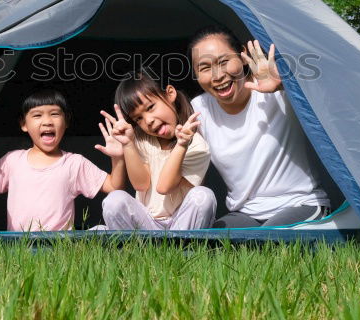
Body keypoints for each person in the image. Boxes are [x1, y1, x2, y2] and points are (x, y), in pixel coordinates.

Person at [188, 26, 333, 227]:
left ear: (242, 55)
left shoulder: (279, 92)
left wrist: (285, 86)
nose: (217, 75)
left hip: (300, 203)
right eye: (204, 68)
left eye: (224, 62)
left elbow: (333, 100)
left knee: (269, 242)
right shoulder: (199, 109)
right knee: (212, 246)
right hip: (245, 214)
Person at [0, 88, 125, 231]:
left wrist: (118, 158)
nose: (47, 122)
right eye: (37, 115)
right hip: (20, 248)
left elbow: (114, 187)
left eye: (54, 114)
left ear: (66, 121)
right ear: (24, 124)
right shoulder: (13, 160)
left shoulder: (74, 163)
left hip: (59, 248)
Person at [97, 73, 216, 230]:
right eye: (138, 118)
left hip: (181, 224)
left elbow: (164, 187)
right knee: (114, 200)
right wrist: (128, 145)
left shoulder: (197, 146)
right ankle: (131, 250)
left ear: (170, 94)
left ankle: (182, 252)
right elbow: (141, 184)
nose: (148, 120)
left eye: (150, 107)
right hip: (146, 223)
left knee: (204, 196)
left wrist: (181, 146)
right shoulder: (140, 138)